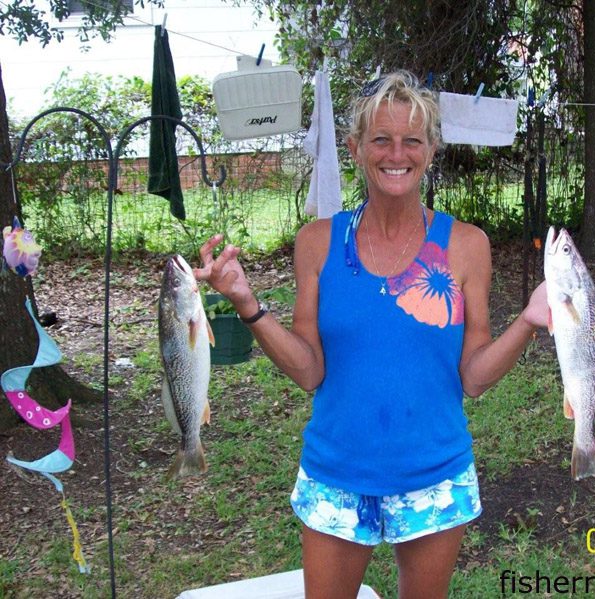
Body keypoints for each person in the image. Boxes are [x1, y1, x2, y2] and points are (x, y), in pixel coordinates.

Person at [194, 70, 549, 599]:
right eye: (381, 139)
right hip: (337, 471)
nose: (396, 153)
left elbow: (472, 378)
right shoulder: (318, 243)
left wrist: (528, 321)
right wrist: (246, 303)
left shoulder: (466, 246)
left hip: (435, 473)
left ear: (431, 149)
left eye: (412, 139)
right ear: (357, 148)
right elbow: (309, 369)